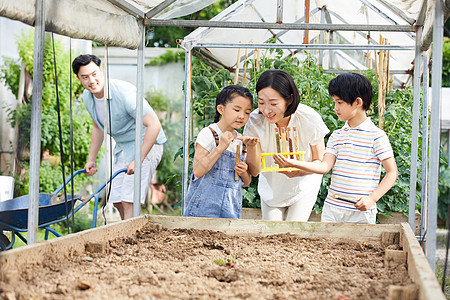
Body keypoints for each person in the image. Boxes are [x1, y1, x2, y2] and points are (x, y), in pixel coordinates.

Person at [273, 73, 398, 224]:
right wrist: (296, 167)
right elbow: (324, 166)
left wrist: (372, 198)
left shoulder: (377, 136)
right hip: (332, 208)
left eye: (339, 102)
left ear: (358, 102)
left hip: (360, 212)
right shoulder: (337, 136)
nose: (335, 107)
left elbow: (392, 173)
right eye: (334, 102)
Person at [72, 54, 166, 220]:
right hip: (124, 147)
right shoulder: (88, 98)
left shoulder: (124, 93)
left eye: (94, 74)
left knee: (129, 199)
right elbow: (97, 128)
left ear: (101, 71)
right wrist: (91, 159)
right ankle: (126, 234)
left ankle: (129, 240)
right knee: (115, 199)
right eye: (85, 77)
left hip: (147, 143)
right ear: (79, 79)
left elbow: (155, 125)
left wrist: (139, 159)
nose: (91, 81)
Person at [240, 69, 329, 222]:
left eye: (273, 103)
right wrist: (252, 147)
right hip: (272, 188)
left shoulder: (308, 118)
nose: (266, 110)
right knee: (272, 232)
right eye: (261, 103)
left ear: (289, 99)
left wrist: (298, 171)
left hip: (304, 185)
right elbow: (255, 171)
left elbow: (319, 161)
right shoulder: (255, 121)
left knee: (294, 229)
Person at [183, 85, 253, 219]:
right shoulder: (209, 134)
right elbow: (197, 171)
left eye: (247, 112)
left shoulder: (241, 141)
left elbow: (246, 182)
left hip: (230, 211)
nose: (241, 116)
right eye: (237, 109)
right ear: (221, 109)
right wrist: (220, 147)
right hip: (202, 211)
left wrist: (244, 173)